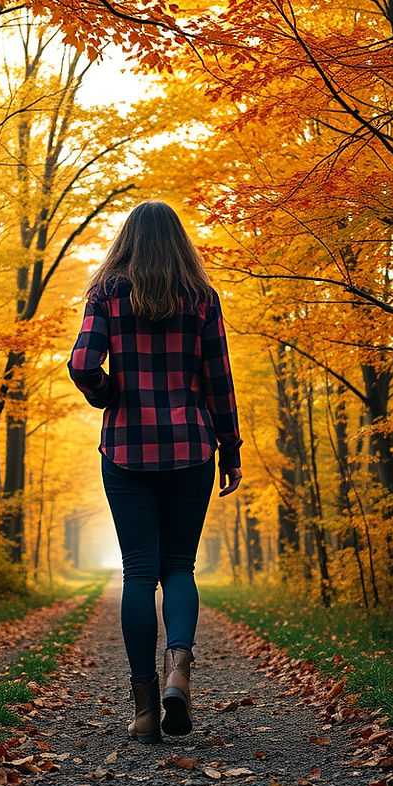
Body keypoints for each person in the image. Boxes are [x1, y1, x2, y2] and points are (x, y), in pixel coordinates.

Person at [68, 200, 243, 744]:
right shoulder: (202, 298)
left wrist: (109, 395)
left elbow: (81, 364)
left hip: (127, 451)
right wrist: (230, 448)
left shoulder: (106, 295)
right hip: (191, 448)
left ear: (128, 240)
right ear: (179, 242)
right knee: (180, 569)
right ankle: (179, 668)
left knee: (139, 573)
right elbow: (219, 378)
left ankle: (145, 707)